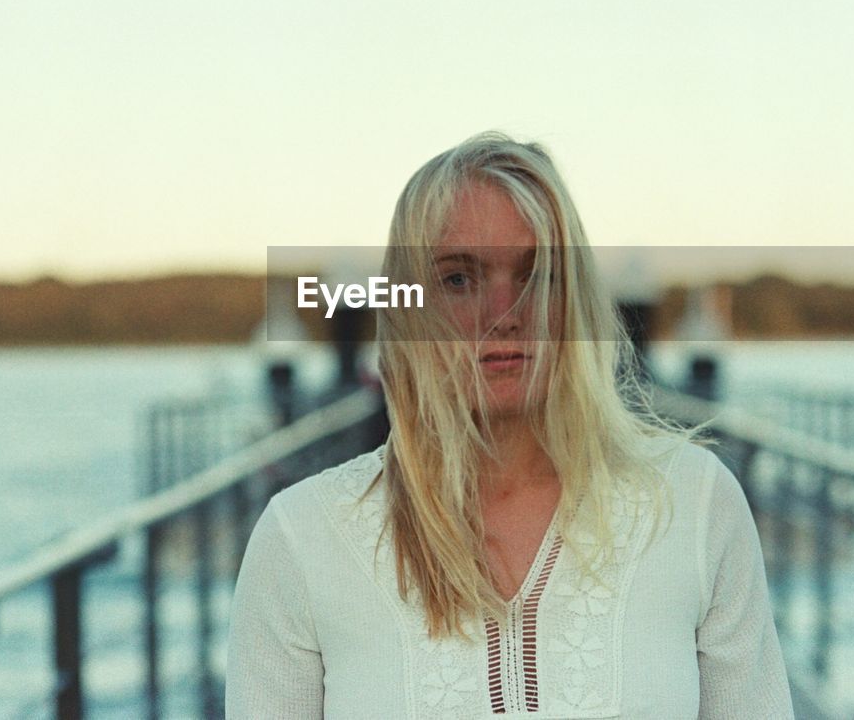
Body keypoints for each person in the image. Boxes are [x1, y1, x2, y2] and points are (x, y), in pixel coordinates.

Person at [226, 132, 795, 718]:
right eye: (457, 279)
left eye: (537, 273)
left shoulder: (695, 505)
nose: (505, 314)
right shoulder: (301, 539)